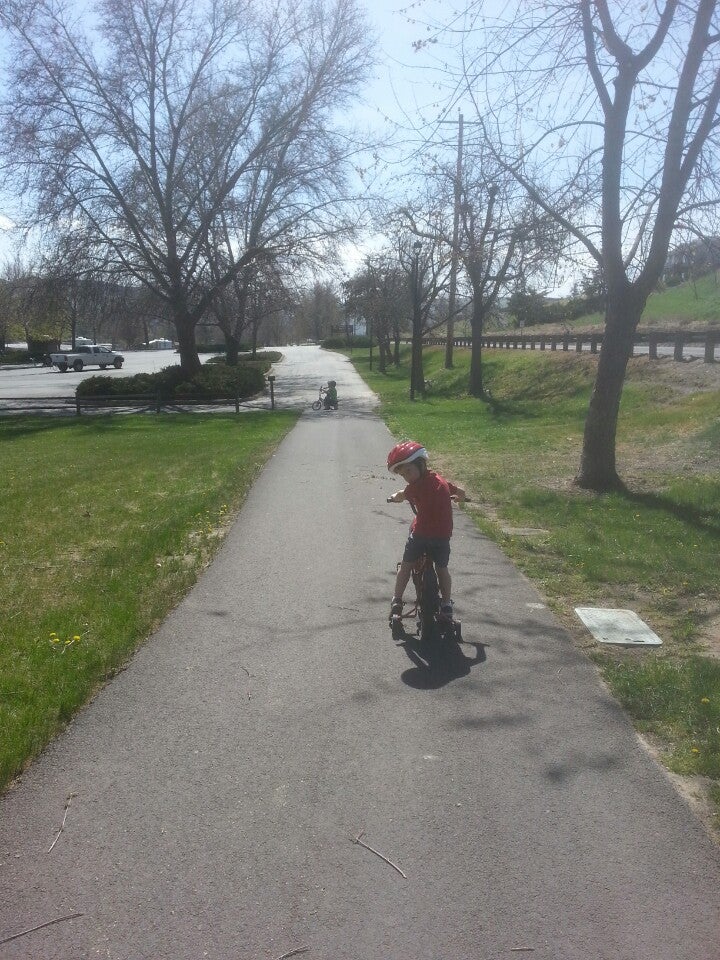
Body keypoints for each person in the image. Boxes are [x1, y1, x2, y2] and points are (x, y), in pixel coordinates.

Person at [386, 440, 465, 622]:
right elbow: (458, 491)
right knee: (442, 569)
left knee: (406, 566)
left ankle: (397, 600)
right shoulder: (441, 481)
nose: (407, 477)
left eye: (408, 471)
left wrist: (395, 497)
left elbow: (402, 495)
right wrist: (462, 496)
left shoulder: (414, 488)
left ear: (421, 465)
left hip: (421, 535)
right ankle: (446, 604)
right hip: (442, 536)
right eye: (402, 474)